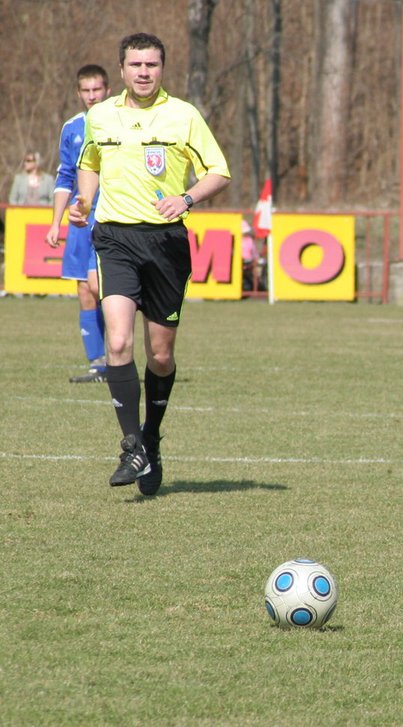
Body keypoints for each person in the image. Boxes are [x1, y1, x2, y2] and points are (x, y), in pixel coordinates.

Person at [69, 32, 230, 495]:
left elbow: (219, 171)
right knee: (118, 342)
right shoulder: (100, 116)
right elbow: (90, 161)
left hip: (165, 244)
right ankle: (130, 445)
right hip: (115, 238)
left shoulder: (183, 116)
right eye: (136, 64)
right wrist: (84, 198)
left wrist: (186, 198)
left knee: (160, 354)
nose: (144, 72)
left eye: (152, 65)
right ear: (121, 70)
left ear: (162, 68)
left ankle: (152, 438)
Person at [46, 64, 111, 384]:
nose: (92, 96)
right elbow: (65, 176)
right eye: (86, 91)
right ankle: (98, 363)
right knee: (84, 290)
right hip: (80, 222)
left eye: (97, 89)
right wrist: (56, 222)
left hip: (111, 218)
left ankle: (118, 356)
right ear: (78, 93)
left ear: (108, 90)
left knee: (102, 286)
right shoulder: (72, 128)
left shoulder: (118, 124)